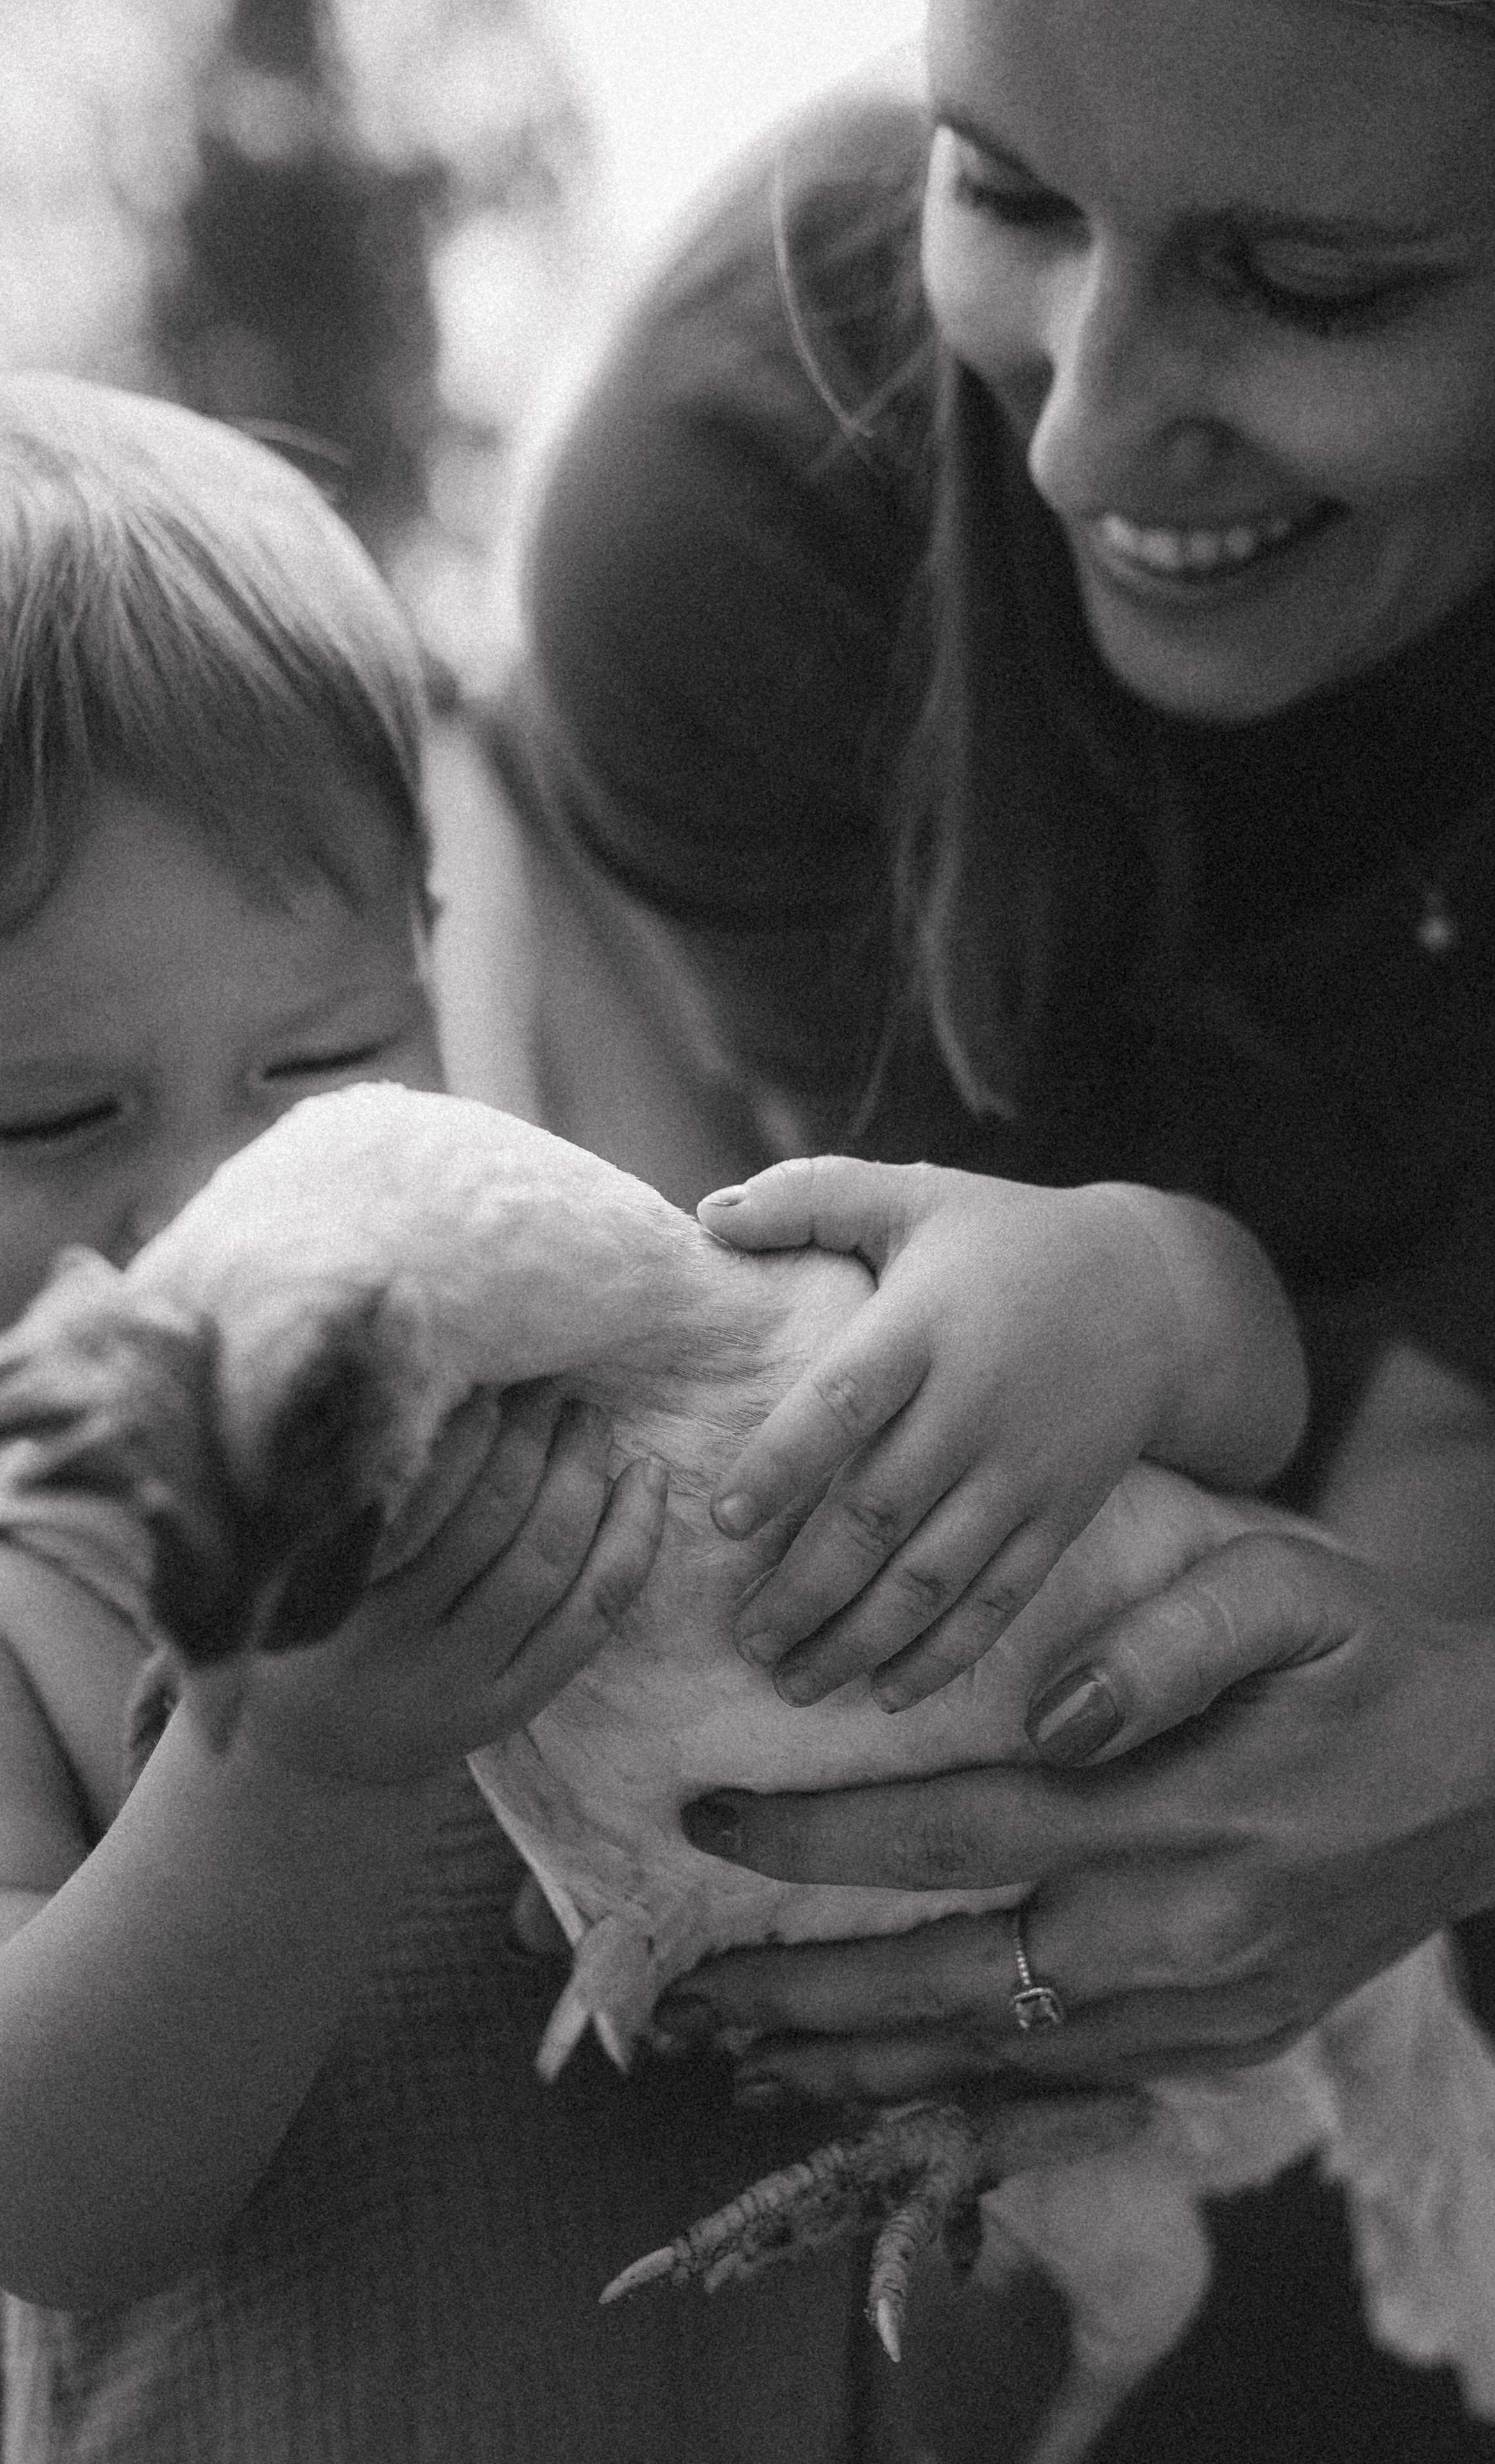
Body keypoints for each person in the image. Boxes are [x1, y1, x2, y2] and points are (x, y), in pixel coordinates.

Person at [479, 0, 1495, 2454]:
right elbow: (924, 1530)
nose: (1086, 429)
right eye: (1003, 192)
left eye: (1311, 285)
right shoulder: (741, 504)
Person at [0, 372, 873, 2464]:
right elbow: (55, 2194)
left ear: (431, 967)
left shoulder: (613, 1373)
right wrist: (299, 1768)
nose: (225, 1188)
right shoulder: (33, 1588)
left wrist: (1138, 1286)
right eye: (51, 1112)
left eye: (321, 1062)